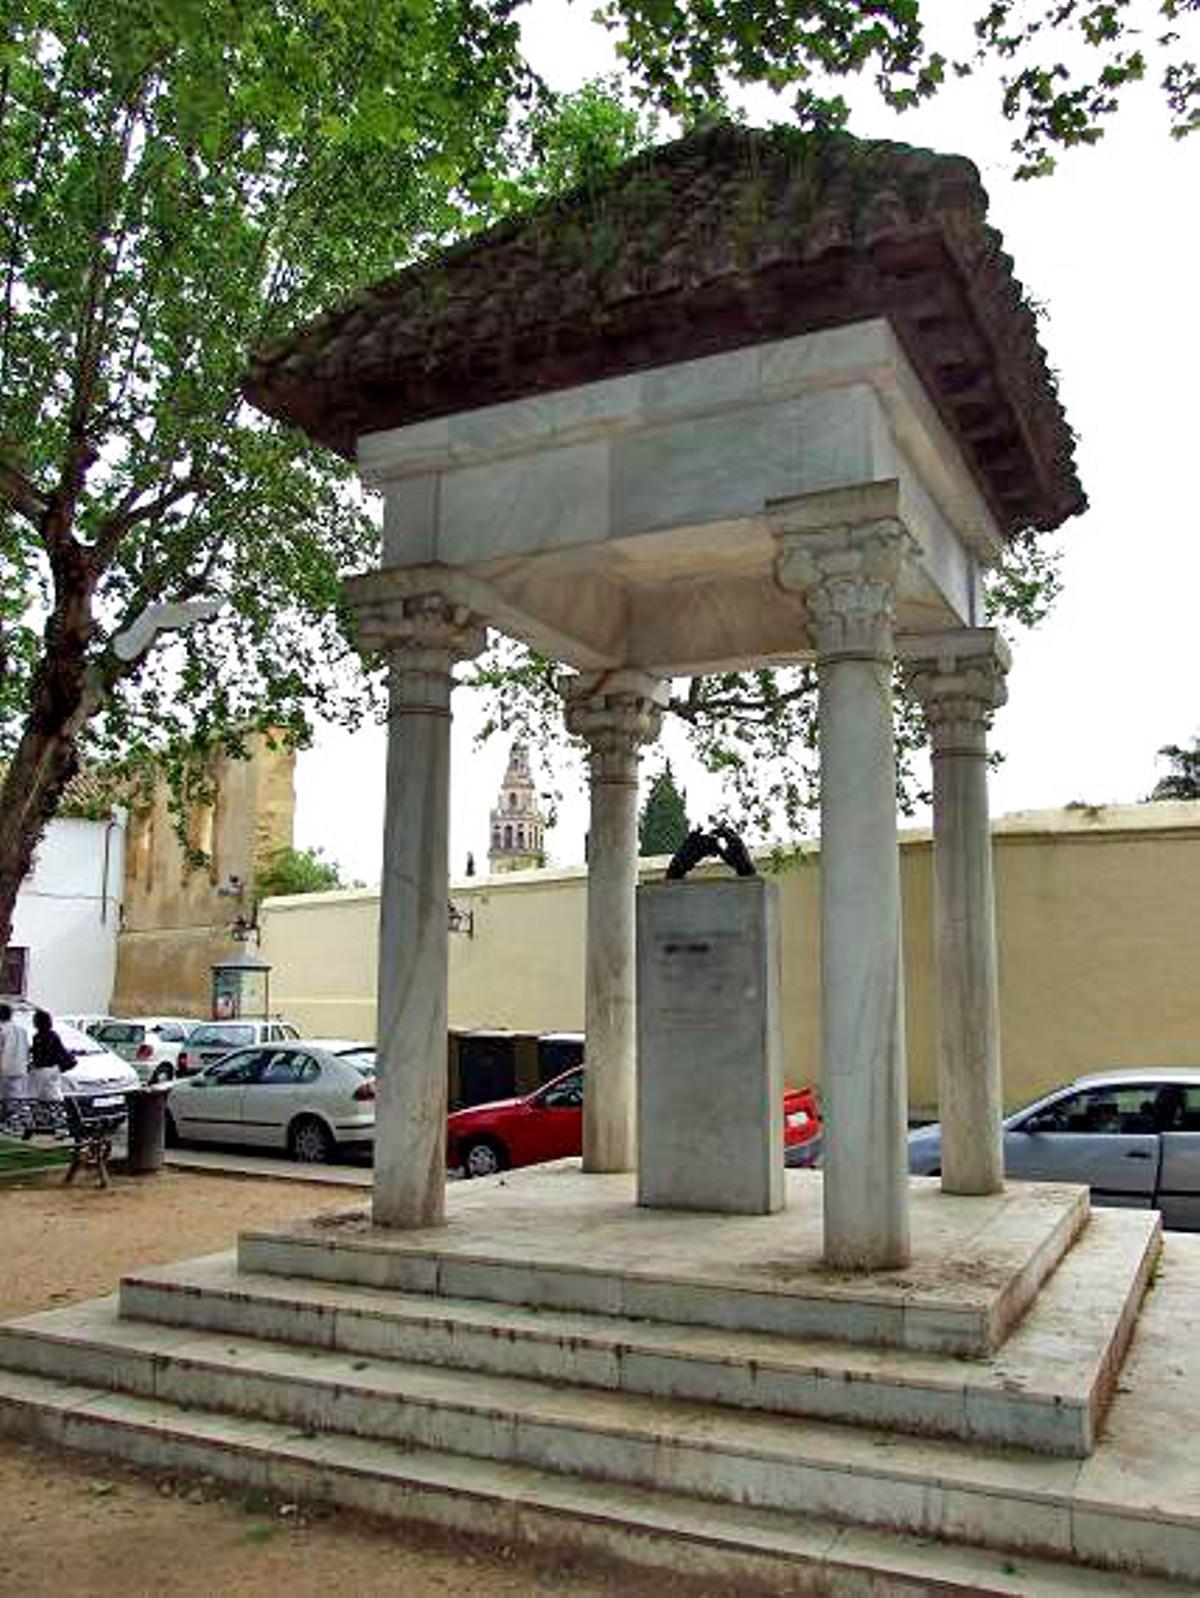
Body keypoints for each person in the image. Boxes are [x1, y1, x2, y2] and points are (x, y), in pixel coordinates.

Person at [27, 1009, 73, 1134]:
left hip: (43, 1071)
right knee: (50, 1099)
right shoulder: (49, 1036)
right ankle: (55, 1126)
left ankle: (48, 1125)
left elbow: (40, 1055)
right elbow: (59, 1052)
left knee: (44, 1099)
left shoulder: (40, 1037)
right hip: (49, 1070)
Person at [0, 1003, 31, 1133]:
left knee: (4, 1099)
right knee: (16, 1098)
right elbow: (27, 1050)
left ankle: (6, 1123)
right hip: (20, 1069)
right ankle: (16, 1123)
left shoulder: (1, 1030)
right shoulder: (22, 1030)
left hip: (4, 1070)